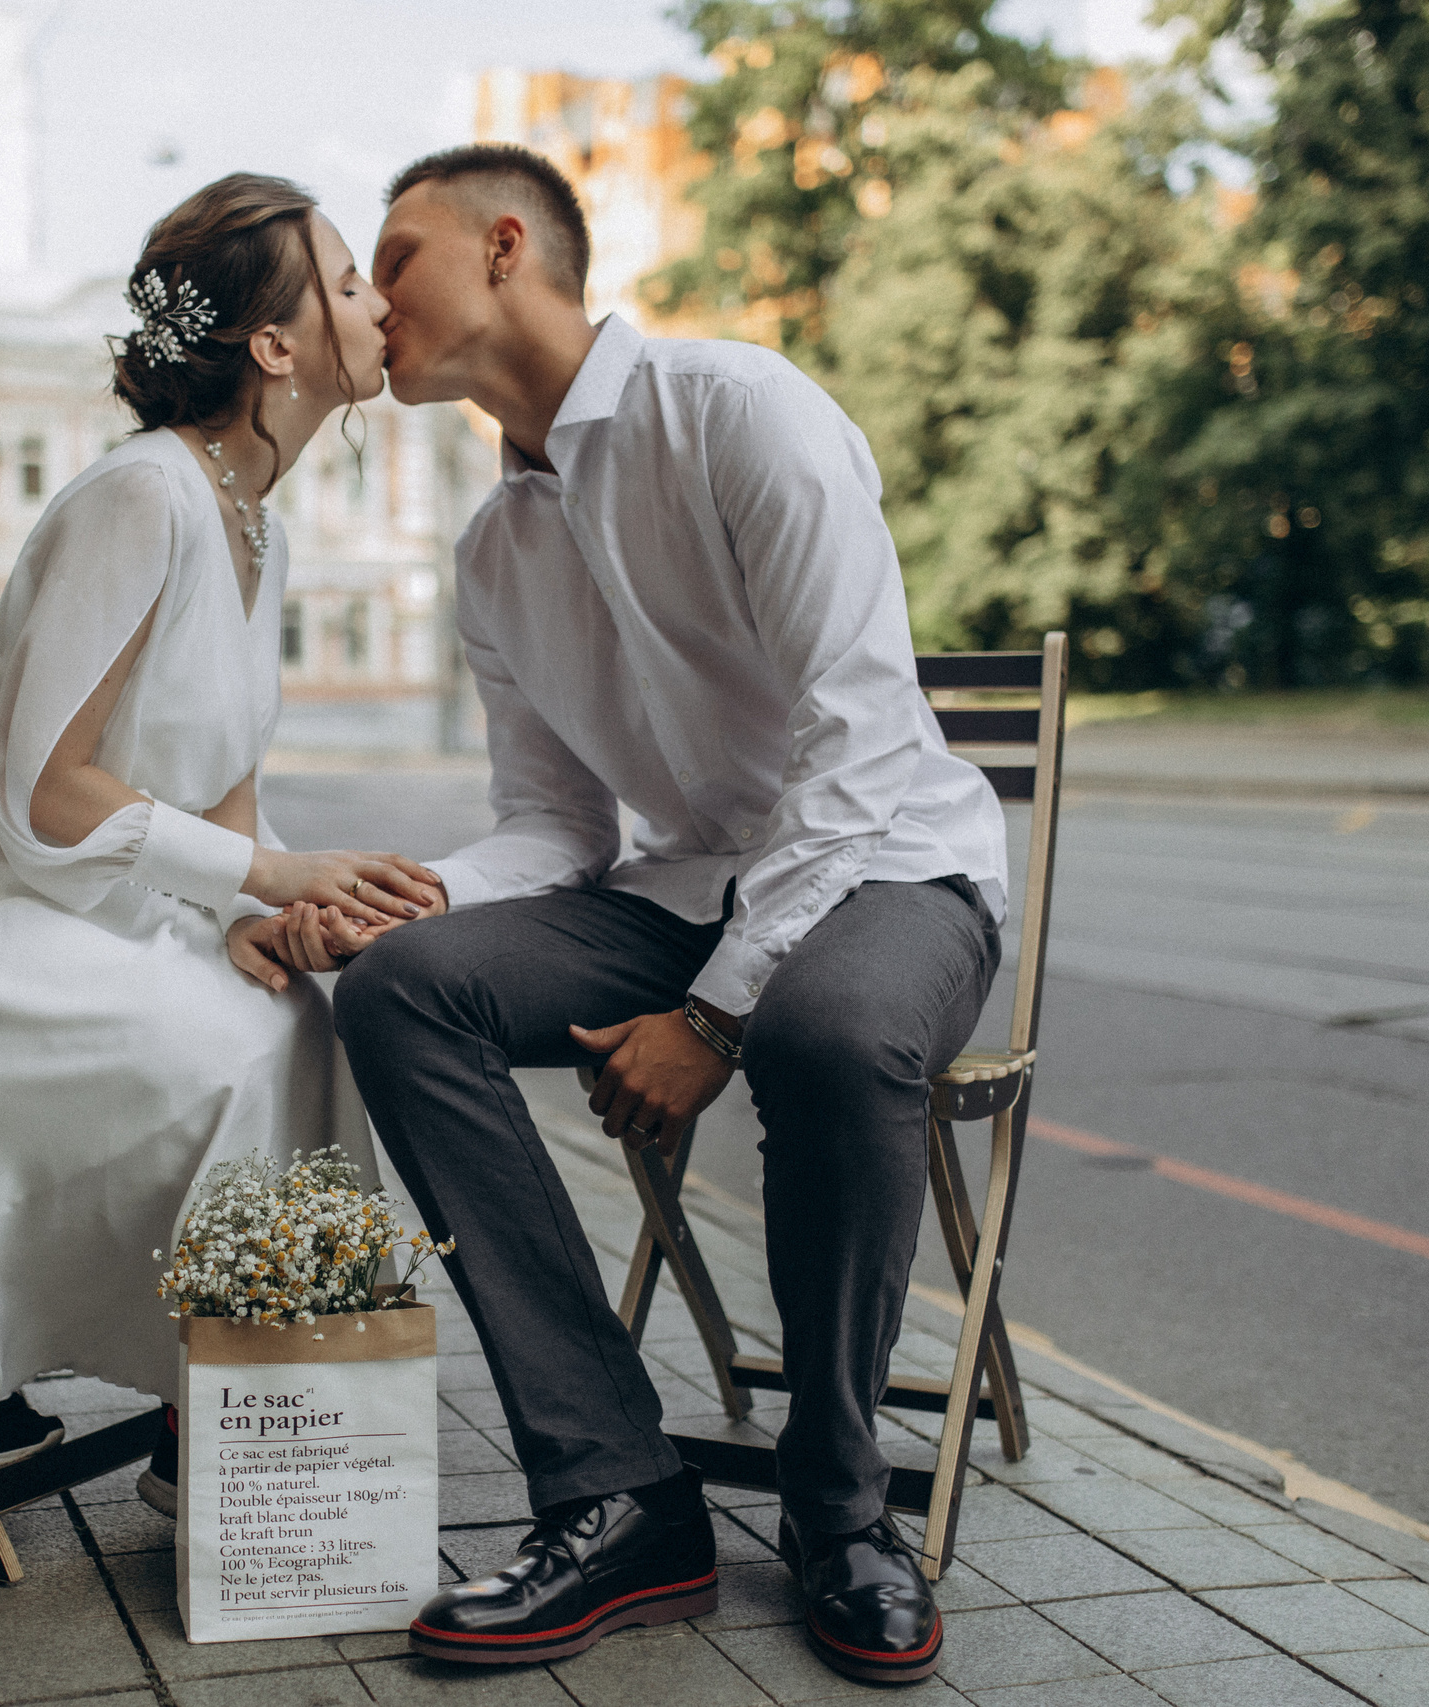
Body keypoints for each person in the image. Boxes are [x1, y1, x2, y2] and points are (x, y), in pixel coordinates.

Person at [317, 145, 1010, 1684]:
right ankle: (620, 1493)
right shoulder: (496, 549)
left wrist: (717, 1013)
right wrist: (396, 902)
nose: (370, 299)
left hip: (893, 869)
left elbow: (859, 741)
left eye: (395, 258)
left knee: (824, 1033)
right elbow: (555, 828)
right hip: (689, 890)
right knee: (403, 991)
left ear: (507, 248)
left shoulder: (739, 412)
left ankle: (844, 1513)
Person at [0, 174, 442, 1490]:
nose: (380, 300)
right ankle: (209, 1413)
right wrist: (265, 872)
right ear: (275, 345)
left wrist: (275, 916)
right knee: (223, 1055)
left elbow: (226, 791)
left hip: (46, 893)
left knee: (295, 1016)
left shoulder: (256, 528)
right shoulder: (144, 496)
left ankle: (245, 1429)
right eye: (348, 280)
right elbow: (45, 792)